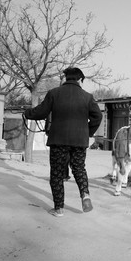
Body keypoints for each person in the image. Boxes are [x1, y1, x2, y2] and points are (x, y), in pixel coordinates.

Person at [24, 67, 103, 217]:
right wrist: (87, 132)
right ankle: (85, 194)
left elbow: (41, 112)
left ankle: (59, 208)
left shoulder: (54, 93)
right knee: (79, 168)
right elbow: (97, 117)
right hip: (79, 141)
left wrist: (27, 113)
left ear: (66, 78)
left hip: (58, 140)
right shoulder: (87, 97)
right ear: (80, 80)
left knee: (57, 174)